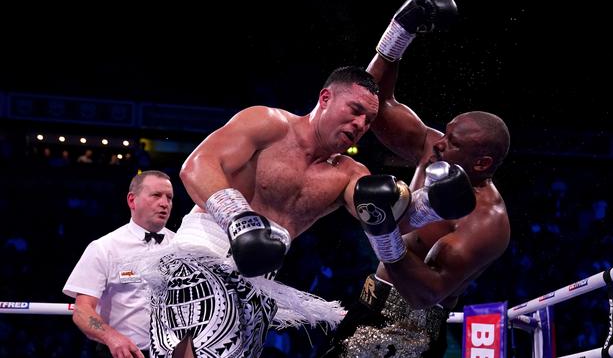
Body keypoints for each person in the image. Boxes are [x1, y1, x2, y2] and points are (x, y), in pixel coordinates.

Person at [142, 66, 476, 358]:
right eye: (355, 110)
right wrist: (239, 219)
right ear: (326, 98)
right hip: (203, 253)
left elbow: (388, 218)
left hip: (260, 278)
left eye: (368, 120)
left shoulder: (348, 173)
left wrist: (433, 203)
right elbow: (197, 165)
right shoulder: (268, 123)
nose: (360, 124)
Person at [323, 0, 512, 357]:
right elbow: (379, 107)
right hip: (369, 298)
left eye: (453, 142)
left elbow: (426, 293)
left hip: (409, 328)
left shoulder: (488, 221)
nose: (439, 144)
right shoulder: (435, 147)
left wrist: (383, 230)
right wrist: (399, 33)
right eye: (444, 133)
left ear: (482, 163)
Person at [63, 170, 175, 358]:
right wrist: (111, 337)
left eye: (169, 197)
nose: (164, 203)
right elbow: (82, 310)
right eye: (156, 195)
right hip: (121, 353)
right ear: (132, 200)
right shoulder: (104, 248)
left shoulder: (181, 246)